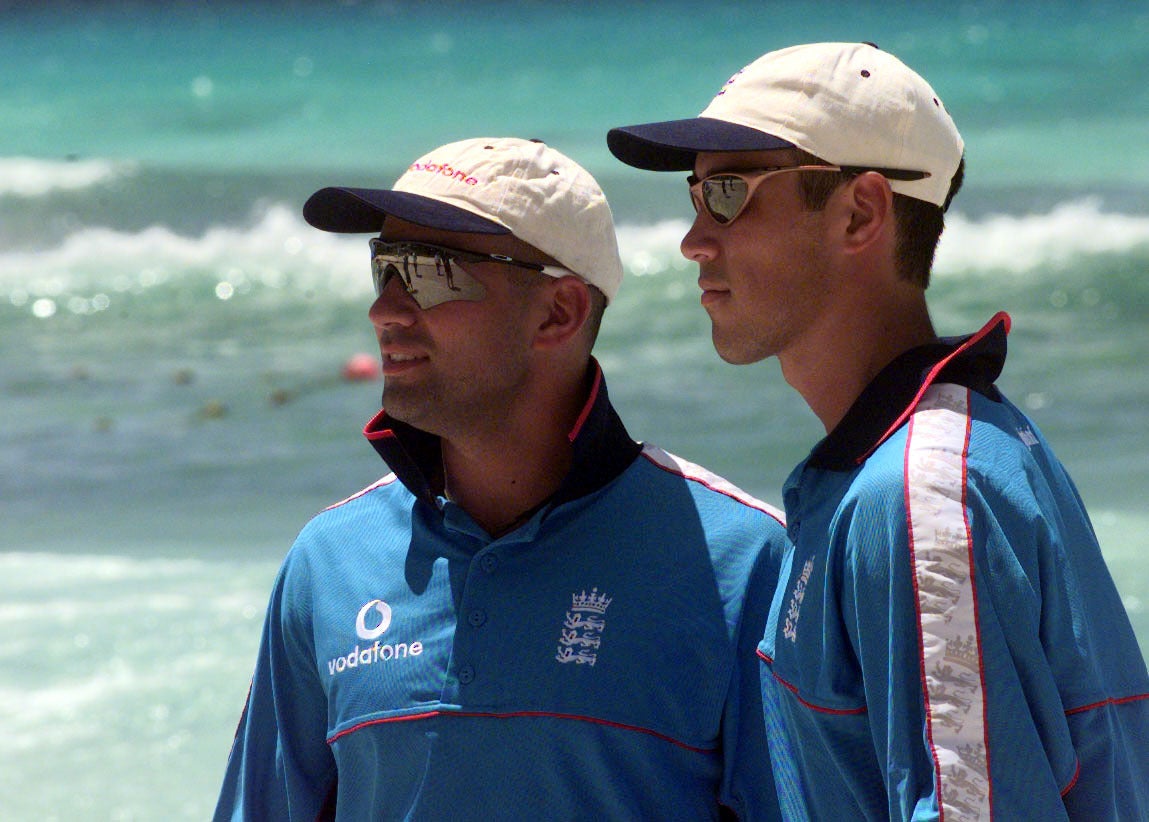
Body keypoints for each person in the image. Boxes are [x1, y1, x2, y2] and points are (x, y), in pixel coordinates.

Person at [607, 42, 1149, 820]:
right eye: (695, 195)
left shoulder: (919, 494)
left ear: (860, 212)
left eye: (727, 193)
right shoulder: (942, 450)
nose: (693, 239)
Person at [213, 137, 792, 820]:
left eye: (428, 274)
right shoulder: (327, 562)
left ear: (558, 313)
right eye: (385, 269)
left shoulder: (742, 560)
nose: (386, 311)